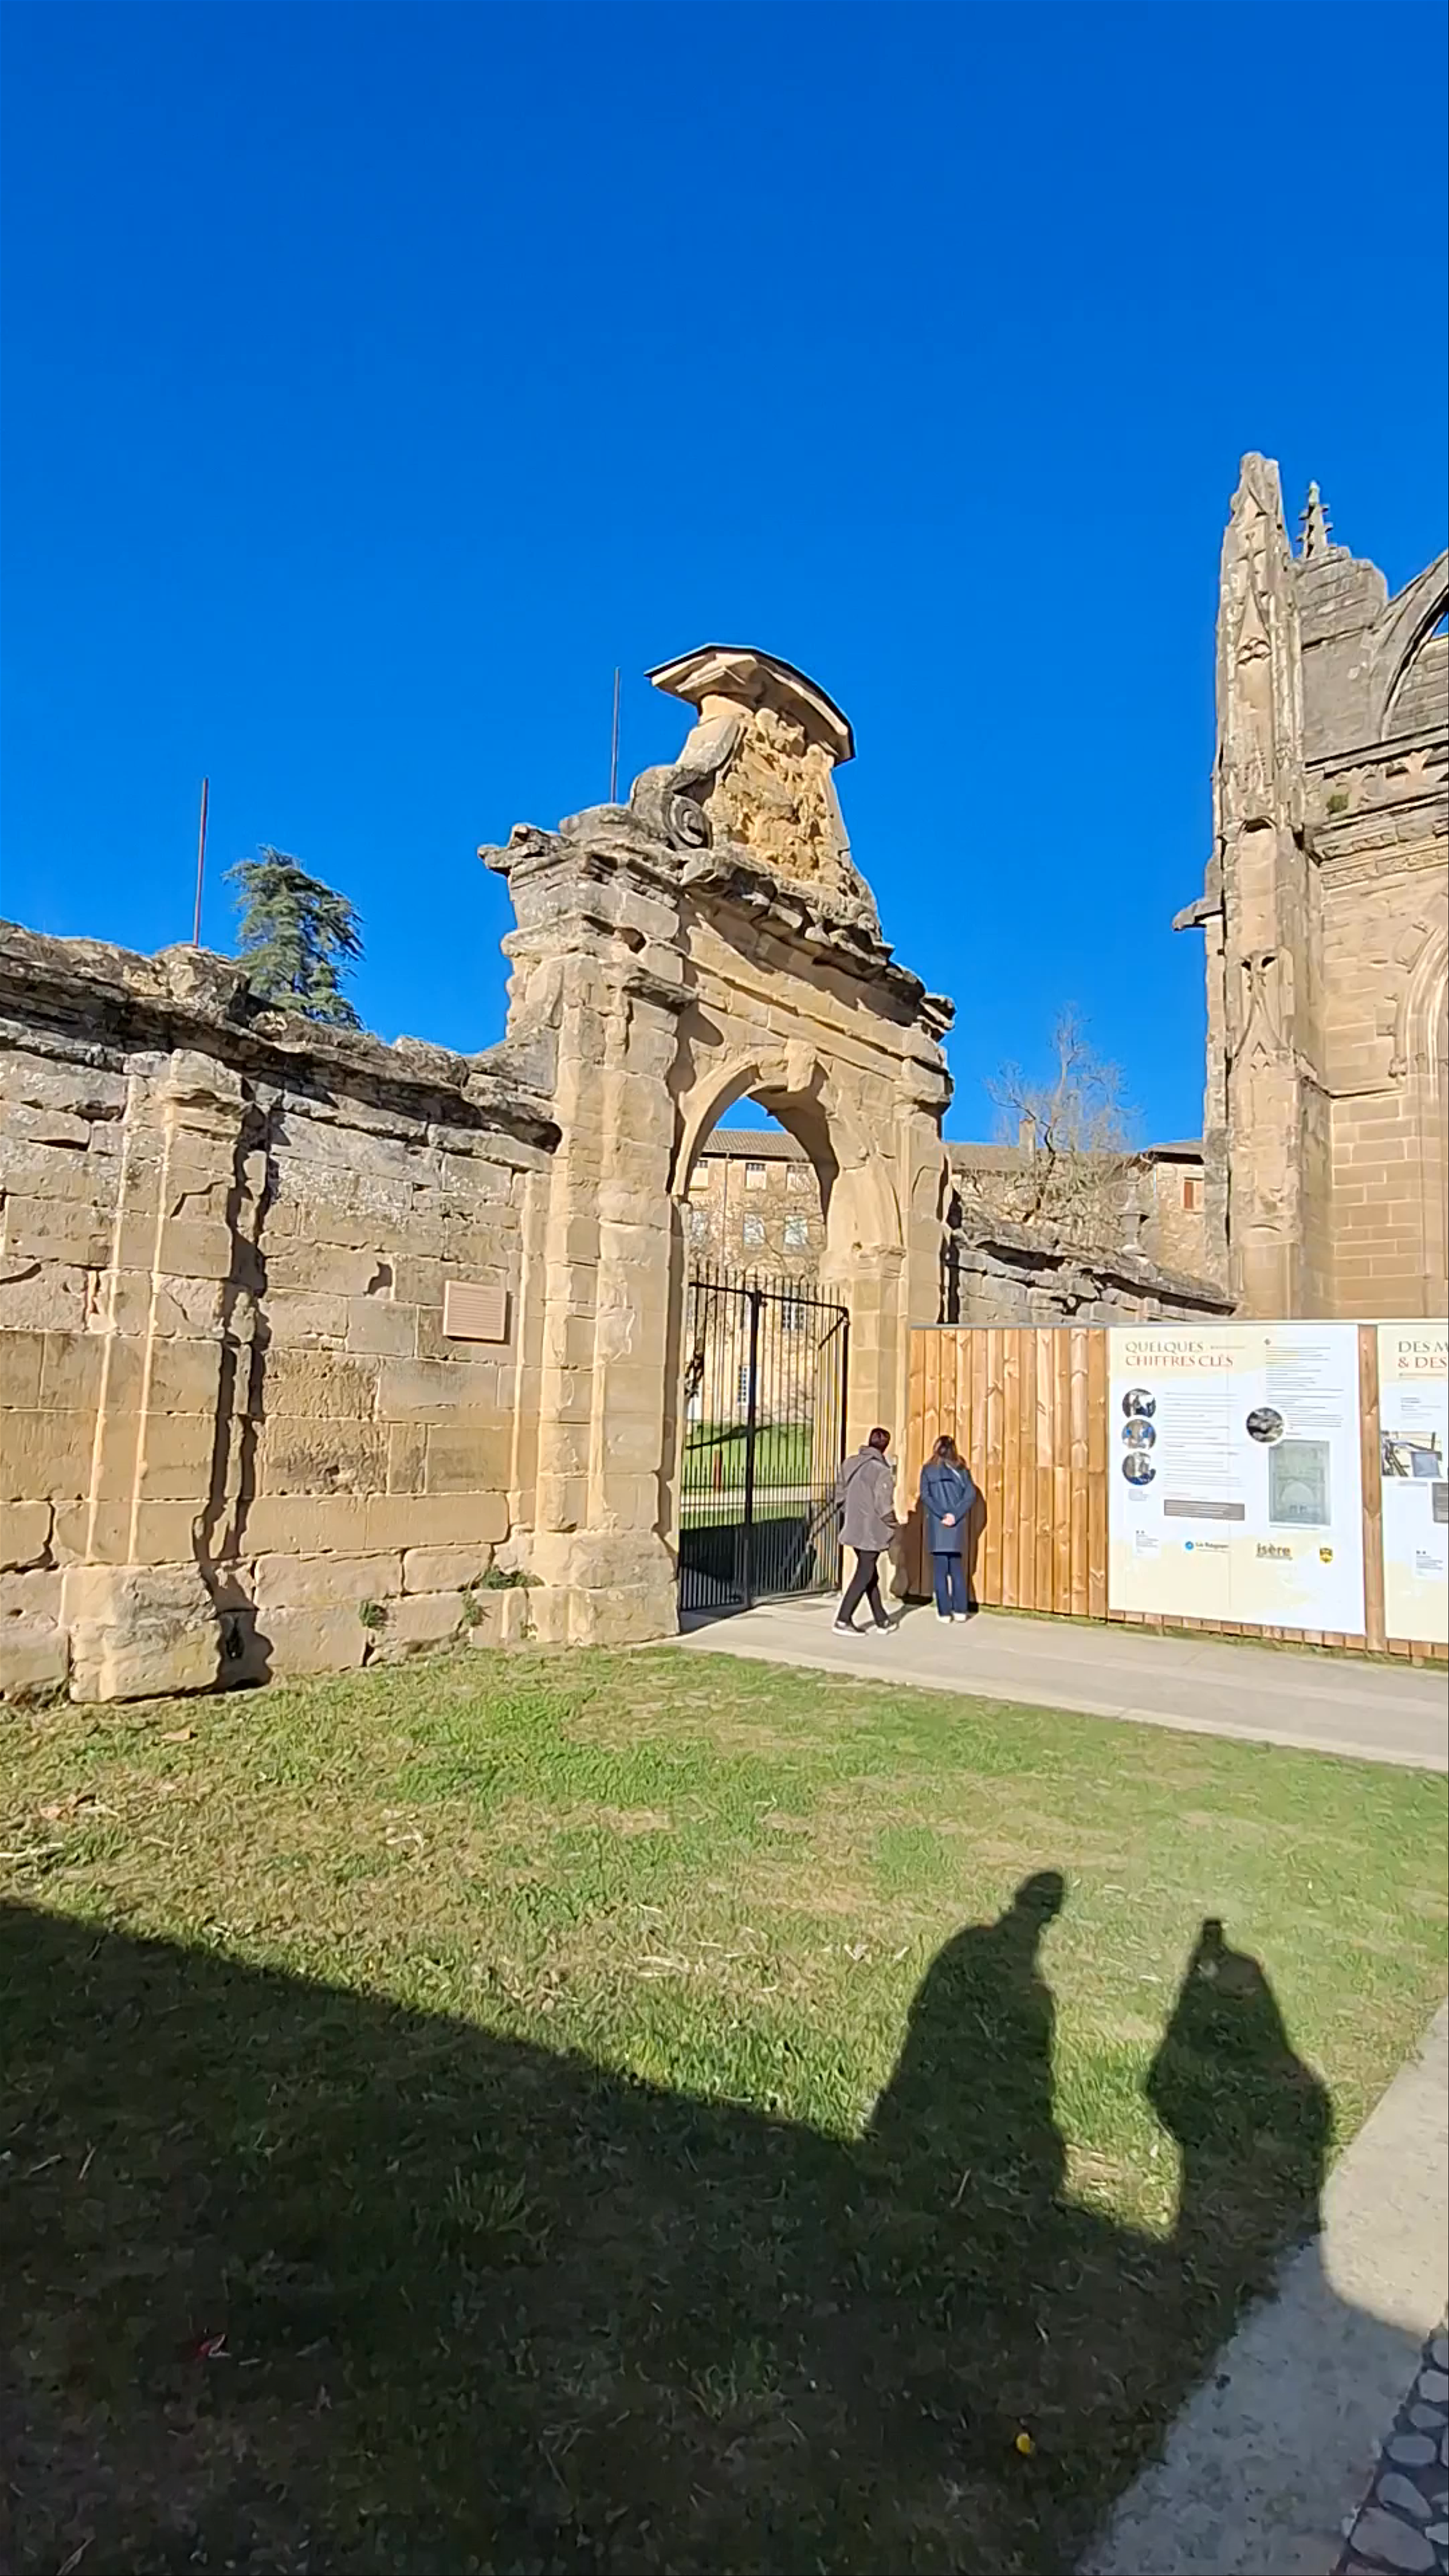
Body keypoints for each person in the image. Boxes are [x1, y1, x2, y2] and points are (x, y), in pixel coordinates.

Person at [833, 1427, 898, 1635]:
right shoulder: (882, 1471)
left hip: (853, 1527)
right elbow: (884, 1506)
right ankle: (843, 1619)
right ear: (885, 1447)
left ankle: (882, 1620)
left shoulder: (849, 1464)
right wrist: (894, 1524)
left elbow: (839, 1495)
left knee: (870, 1573)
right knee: (865, 1574)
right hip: (872, 1532)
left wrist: (851, 1513)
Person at [919, 1435, 977, 1621]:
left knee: (940, 1571)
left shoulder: (928, 1470)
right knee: (957, 1570)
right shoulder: (962, 1471)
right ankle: (961, 1610)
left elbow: (926, 1496)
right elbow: (970, 1495)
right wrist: (955, 1515)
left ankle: (944, 1613)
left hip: (938, 1526)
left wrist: (942, 1514)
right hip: (956, 1525)